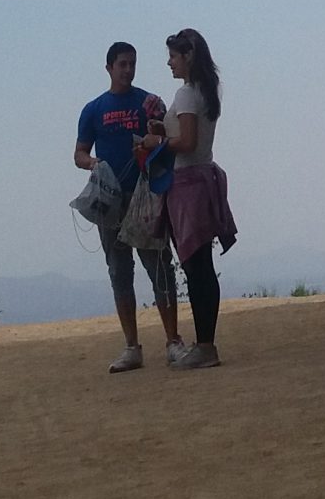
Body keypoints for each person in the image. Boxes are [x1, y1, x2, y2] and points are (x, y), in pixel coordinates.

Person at [73, 42, 183, 371]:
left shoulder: (148, 103)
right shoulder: (93, 109)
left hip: (146, 199)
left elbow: (168, 140)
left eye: (132, 63)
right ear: (109, 67)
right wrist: (95, 165)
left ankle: (173, 341)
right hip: (111, 203)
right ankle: (131, 346)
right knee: (119, 273)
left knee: (160, 269)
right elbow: (79, 154)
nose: (128, 69)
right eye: (122, 64)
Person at [160, 28, 235, 370]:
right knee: (202, 266)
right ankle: (206, 341)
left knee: (195, 267)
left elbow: (187, 142)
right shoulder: (207, 91)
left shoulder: (188, 94)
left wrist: (155, 143)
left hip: (187, 182)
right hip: (202, 178)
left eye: (174, 56)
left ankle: (205, 345)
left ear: (187, 56)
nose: (170, 62)